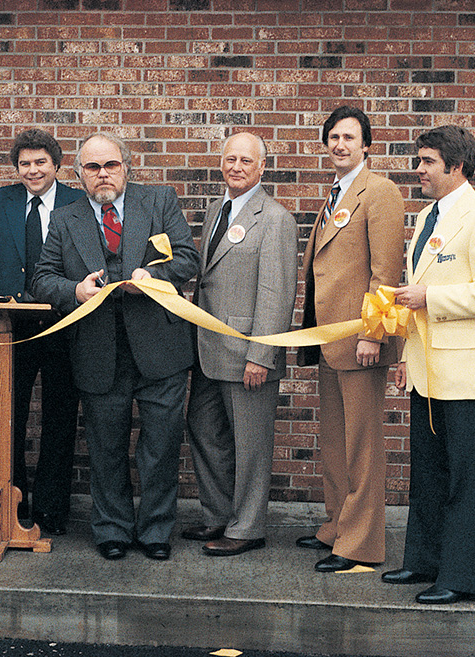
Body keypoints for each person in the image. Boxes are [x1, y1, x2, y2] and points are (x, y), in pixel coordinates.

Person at [31, 132, 199, 561]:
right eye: (92, 168)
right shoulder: (66, 218)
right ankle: (112, 530)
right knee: (105, 447)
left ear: (127, 166)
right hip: (97, 349)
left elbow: (186, 258)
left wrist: (154, 278)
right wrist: (74, 290)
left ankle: (157, 530)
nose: (102, 174)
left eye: (110, 165)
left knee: (160, 447)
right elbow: (43, 278)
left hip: (160, 347)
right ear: (79, 174)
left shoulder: (159, 201)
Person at [384, 125, 475, 603]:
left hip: (467, 377)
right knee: (427, 473)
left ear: (456, 167)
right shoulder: (427, 218)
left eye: (427, 162)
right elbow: (416, 301)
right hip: (426, 372)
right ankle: (423, 563)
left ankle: (460, 578)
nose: (418, 170)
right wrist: (405, 356)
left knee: (465, 480)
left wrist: (431, 296)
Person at [294, 106, 405, 573]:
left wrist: (373, 335)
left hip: (360, 340)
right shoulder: (337, 193)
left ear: (367, 146)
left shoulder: (379, 192)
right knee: (335, 443)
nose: (340, 144)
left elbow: (385, 273)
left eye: (349, 138)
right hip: (330, 341)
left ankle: (359, 546)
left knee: (361, 446)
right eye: (333, 137)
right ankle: (338, 525)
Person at [182, 133, 297, 557]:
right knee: (203, 429)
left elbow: (277, 292)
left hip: (248, 354)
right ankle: (218, 514)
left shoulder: (277, 219)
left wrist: (261, 355)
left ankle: (248, 526)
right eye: (230, 159)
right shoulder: (216, 210)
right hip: (209, 349)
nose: (236, 167)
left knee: (250, 444)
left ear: (262, 168)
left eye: (246, 161)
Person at [0, 128, 85, 535]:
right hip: (11, 328)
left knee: (59, 416)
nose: (32, 170)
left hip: (64, 325)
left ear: (56, 165)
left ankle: (52, 507)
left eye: (40, 163)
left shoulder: (76, 200)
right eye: (24, 164)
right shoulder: (2, 201)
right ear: (16, 168)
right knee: (9, 414)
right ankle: (11, 503)